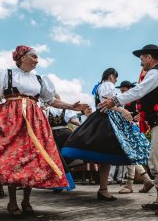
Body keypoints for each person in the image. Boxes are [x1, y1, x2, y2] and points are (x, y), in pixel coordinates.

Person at [0, 45, 89, 217]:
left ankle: (26, 200)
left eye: (37, 57)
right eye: (33, 56)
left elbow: (51, 101)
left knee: (32, 158)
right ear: (22, 57)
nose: (37, 60)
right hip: (11, 118)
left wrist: (71, 106)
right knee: (13, 158)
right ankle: (12, 201)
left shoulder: (40, 80)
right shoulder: (6, 74)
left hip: (34, 120)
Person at [99, 44, 158, 216]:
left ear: (149, 57)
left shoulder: (156, 72)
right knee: (156, 163)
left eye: (142, 59)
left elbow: (139, 90)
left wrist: (114, 101)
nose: (141, 63)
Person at [62, 68, 151, 201]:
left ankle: (104, 189)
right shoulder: (108, 84)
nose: (116, 80)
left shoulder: (99, 86)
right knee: (118, 151)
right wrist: (122, 110)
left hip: (103, 119)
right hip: (107, 120)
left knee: (108, 156)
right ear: (111, 75)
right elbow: (106, 103)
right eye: (115, 77)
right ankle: (106, 189)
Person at [116, 81, 154, 194]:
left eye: (123, 91)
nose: (121, 93)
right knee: (131, 157)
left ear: (129, 90)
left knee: (131, 156)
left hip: (132, 130)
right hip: (129, 130)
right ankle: (146, 180)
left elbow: (143, 112)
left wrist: (140, 117)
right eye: (121, 91)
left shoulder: (135, 101)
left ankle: (129, 185)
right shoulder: (124, 101)